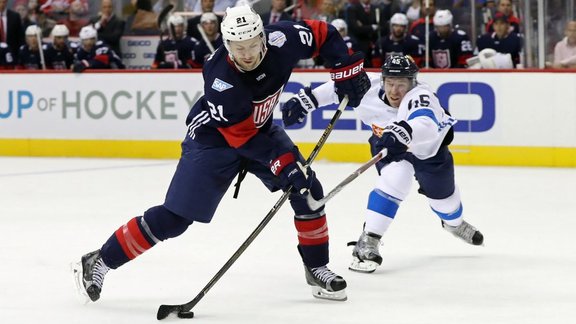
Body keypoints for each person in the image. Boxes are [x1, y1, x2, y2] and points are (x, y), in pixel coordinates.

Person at [73, 5, 370, 304]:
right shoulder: (221, 78)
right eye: (239, 48)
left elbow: (324, 33)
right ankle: (100, 259)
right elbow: (242, 137)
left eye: (253, 44)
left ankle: (316, 266)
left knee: (307, 190)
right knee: (175, 219)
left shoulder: (282, 38)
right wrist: (283, 163)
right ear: (227, 44)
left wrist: (343, 69)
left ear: (262, 37)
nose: (248, 54)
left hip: (258, 130)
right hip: (213, 141)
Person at [281, 54, 484, 274]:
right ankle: (368, 241)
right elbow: (334, 88)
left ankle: (454, 224)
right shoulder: (366, 84)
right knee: (396, 179)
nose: (395, 91)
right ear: (383, 79)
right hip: (389, 144)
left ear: (412, 82)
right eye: (391, 83)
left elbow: (425, 123)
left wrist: (404, 132)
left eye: (402, 85)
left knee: (446, 204)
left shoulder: (422, 95)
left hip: (429, 150)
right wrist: (306, 101)